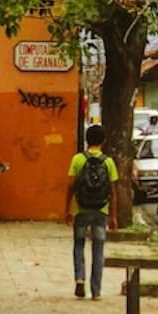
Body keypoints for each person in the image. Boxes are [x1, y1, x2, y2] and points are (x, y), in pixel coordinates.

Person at [65, 124, 117, 300]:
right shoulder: (108, 162)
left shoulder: (78, 159)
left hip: (81, 209)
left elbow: (70, 186)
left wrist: (67, 210)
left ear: (86, 140)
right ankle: (96, 291)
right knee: (98, 249)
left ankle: (80, 278)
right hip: (101, 211)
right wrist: (114, 216)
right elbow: (113, 191)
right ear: (103, 141)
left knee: (79, 244)